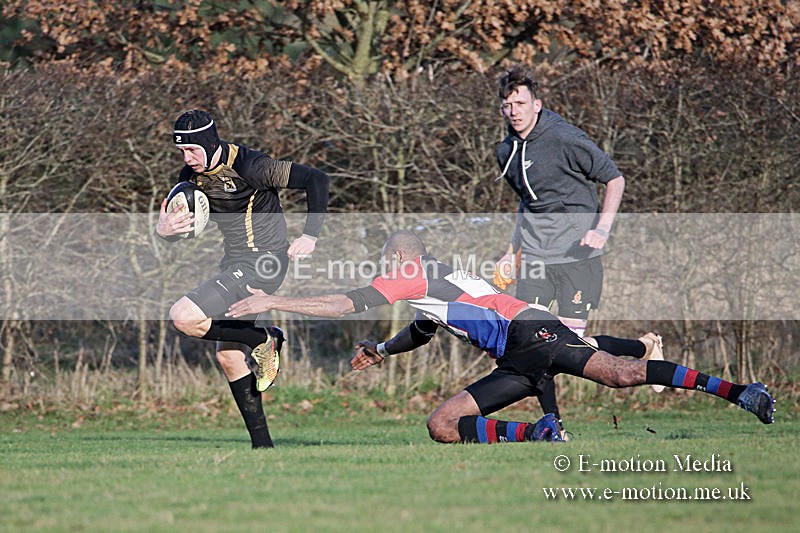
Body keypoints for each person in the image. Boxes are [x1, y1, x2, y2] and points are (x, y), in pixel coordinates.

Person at [227, 230, 776, 444]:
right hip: (515, 357)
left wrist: (273, 300)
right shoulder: (433, 289)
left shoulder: (416, 273)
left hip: (529, 329)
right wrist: (383, 349)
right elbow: (423, 329)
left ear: (404, 257)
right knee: (441, 425)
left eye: (388, 260)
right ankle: (536, 435)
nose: (383, 268)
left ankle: (741, 392)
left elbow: (345, 302)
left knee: (621, 375)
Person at [156, 109, 330, 448]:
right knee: (228, 357)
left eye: (193, 150)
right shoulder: (190, 178)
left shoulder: (253, 166)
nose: (187, 158)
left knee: (183, 316)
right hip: (234, 264)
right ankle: (262, 447)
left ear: (210, 143)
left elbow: (316, 179)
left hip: (265, 263)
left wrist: (311, 235)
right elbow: (184, 230)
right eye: (181, 152)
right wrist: (164, 231)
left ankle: (263, 337)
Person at [491, 64, 651, 428]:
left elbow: (614, 178)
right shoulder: (506, 151)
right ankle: (553, 425)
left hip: (577, 257)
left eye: (520, 102)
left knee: (569, 347)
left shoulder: (564, 138)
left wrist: (602, 229)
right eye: (507, 104)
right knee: (531, 343)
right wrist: (511, 252)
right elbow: (527, 203)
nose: (513, 110)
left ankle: (642, 348)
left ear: (537, 104)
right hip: (535, 258)